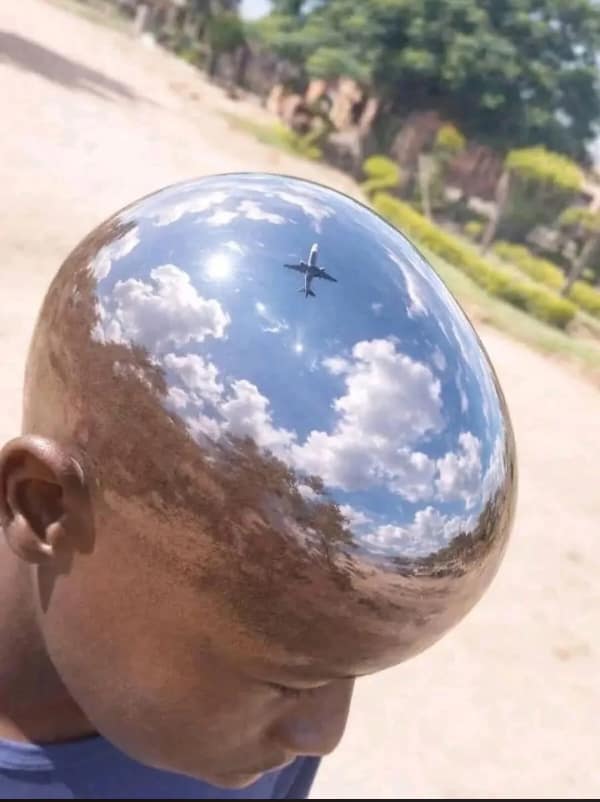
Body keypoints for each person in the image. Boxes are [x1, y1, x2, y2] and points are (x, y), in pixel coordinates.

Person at [0, 173, 517, 799]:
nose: (323, 735)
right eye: (290, 682)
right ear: (44, 507)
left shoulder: (251, 755)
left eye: (351, 674)